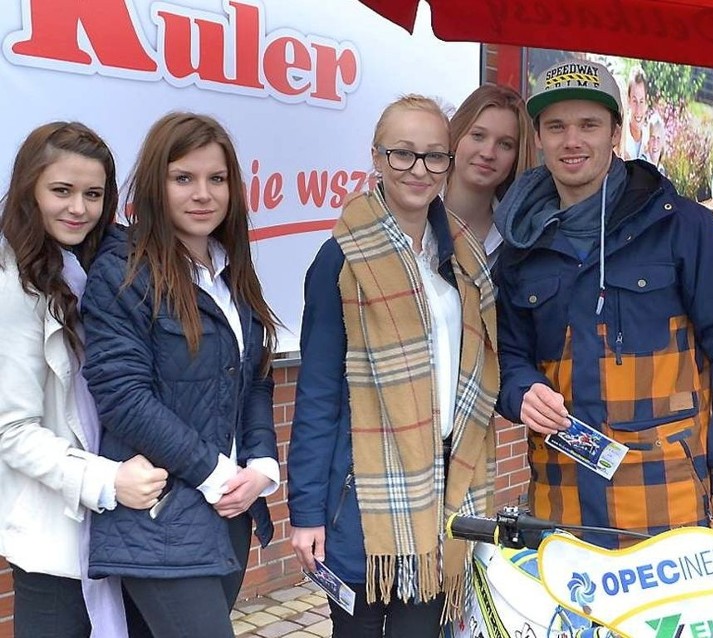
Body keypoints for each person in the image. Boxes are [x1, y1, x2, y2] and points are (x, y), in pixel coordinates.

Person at [494, 58, 713, 549]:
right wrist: (520, 390)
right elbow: (506, 355)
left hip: (667, 503)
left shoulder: (682, 227)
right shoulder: (521, 245)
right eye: (556, 127)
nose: (572, 140)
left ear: (616, 132)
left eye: (589, 125)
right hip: (561, 505)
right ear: (538, 137)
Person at [287, 95, 499, 638]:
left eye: (434, 156)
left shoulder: (460, 255)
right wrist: (306, 512)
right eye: (402, 154)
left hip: (444, 485)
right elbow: (316, 395)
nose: (418, 170)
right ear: (377, 158)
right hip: (364, 496)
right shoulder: (340, 259)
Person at [81, 113, 280, 637]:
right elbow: (123, 397)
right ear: (154, 185)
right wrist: (214, 473)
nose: (203, 194)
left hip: (229, 509)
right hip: (162, 514)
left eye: (217, 180)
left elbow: (255, 376)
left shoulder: (229, 268)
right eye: (183, 178)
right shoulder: (123, 271)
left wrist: (260, 465)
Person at [0, 122, 168, 637]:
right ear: (30, 188)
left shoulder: (100, 269)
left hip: (122, 524)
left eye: (93, 194)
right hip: (57, 538)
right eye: (61, 191)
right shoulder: (14, 284)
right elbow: (12, 430)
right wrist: (107, 481)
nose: (78, 208)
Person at [443, 84, 536, 269]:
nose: (488, 153)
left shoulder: (520, 236)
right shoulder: (414, 208)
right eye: (478, 136)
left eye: (505, 144)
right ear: (456, 135)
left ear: (517, 157)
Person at [623, 65, 649, 160]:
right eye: (634, 101)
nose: (638, 109)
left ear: (647, 102)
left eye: (641, 101)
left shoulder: (651, 139)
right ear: (628, 100)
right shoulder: (619, 138)